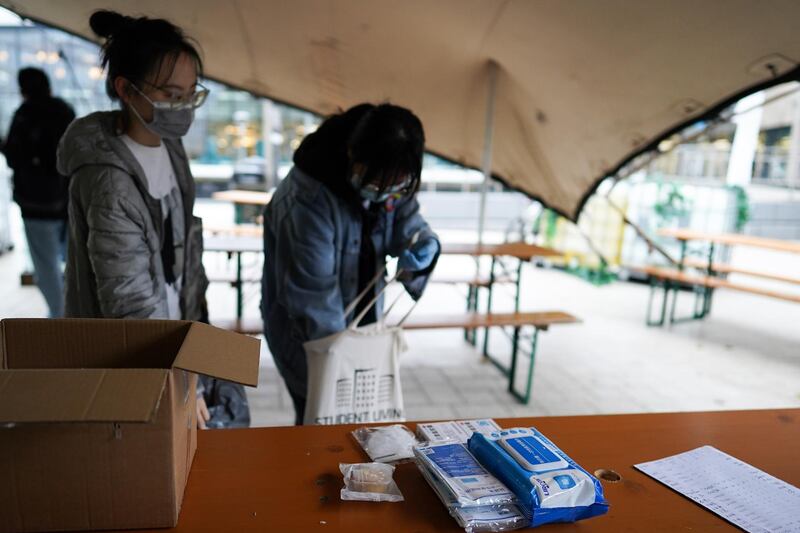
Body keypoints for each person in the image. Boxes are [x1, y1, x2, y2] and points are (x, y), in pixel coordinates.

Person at [57, 10, 212, 426]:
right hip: (131, 360)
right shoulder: (107, 180)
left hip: (170, 345)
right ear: (126, 89)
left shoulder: (169, 147)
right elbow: (128, 303)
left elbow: (184, 259)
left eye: (190, 95)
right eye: (170, 94)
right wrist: (180, 374)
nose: (181, 107)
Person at [262, 103, 440, 425]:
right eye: (376, 186)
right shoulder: (307, 200)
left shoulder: (390, 176)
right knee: (320, 421)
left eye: (397, 187)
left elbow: (406, 220)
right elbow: (313, 300)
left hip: (359, 330)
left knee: (356, 423)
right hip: (309, 339)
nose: (385, 195)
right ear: (351, 154)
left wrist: (423, 243)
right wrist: (352, 362)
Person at [3, 68, 75, 317]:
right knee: (77, 261)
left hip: (35, 205)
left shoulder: (24, 115)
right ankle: (79, 315)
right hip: (67, 201)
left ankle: (60, 317)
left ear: (24, 89)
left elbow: (13, 157)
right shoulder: (64, 111)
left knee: (46, 268)